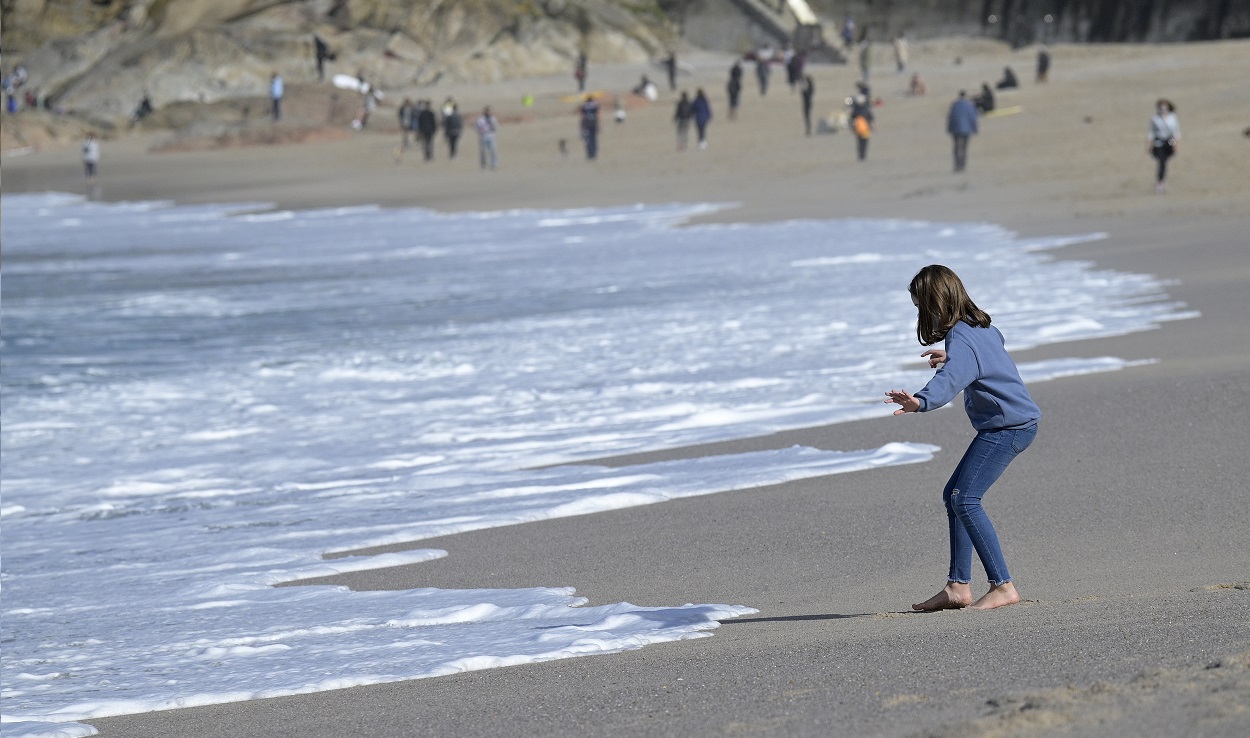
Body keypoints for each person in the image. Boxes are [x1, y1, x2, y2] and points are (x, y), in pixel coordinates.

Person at [885, 265, 1040, 612]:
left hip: (1008, 428)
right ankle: (957, 586)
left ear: (934, 303)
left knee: (965, 498)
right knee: (953, 495)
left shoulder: (962, 338)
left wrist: (920, 401)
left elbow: (951, 380)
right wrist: (953, 357)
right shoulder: (982, 327)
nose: (920, 314)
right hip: (1013, 423)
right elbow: (985, 358)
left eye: (920, 306)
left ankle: (1003, 585)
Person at [1148, 99, 1180, 193]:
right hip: (1159, 143)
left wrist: (1176, 145)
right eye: (1161, 108)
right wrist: (1149, 145)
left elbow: (1176, 133)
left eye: (1165, 108)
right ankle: (1160, 183)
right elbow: (1151, 133)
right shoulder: (1155, 119)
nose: (1163, 110)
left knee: (1165, 161)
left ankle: (1162, 181)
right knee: (1161, 162)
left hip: (1169, 142)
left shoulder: (1173, 118)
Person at [947, 90, 978, 173]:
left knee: (956, 147)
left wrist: (949, 128)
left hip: (956, 129)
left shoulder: (955, 105)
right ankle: (962, 165)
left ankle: (957, 164)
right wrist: (975, 128)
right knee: (964, 147)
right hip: (966, 129)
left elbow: (950, 118)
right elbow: (973, 118)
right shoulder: (970, 105)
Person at [849, 94, 873, 161]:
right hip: (866, 129)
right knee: (865, 143)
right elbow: (870, 118)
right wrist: (871, 126)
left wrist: (853, 128)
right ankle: (863, 156)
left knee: (860, 143)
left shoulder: (855, 110)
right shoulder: (866, 109)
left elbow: (852, 120)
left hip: (858, 129)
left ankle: (861, 155)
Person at [476, 105, 499, 170]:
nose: (488, 112)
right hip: (483, 137)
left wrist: (493, 128)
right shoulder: (480, 119)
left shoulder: (493, 119)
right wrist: (481, 131)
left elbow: (496, 127)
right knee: (483, 151)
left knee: (493, 151)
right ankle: (483, 164)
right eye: (487, 111)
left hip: (491, 136)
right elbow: (477, 127)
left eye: (489, 111)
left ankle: (493, 164)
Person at [579, 94, 600, 160]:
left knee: (588, 139)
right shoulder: (594, 105)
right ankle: (594, 153)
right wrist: (599, 125)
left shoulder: (584, 106)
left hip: (586, 124)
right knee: (594, 139)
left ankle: (590, 153)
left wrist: (582, 126)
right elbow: (598, 115)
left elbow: (582, 116)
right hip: (594, 123)